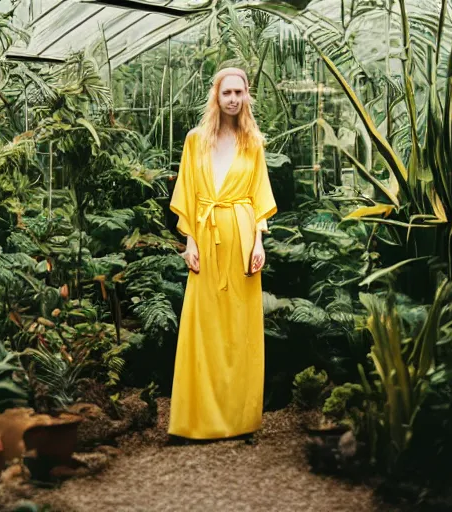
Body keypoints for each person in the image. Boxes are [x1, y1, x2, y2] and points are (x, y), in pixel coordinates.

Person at [167, 67, 277, 442]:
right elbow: (187, 194)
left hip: (243, 239)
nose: (233, 98)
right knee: (203, 326)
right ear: (215, 95)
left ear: (247, 96)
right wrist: (190, 243)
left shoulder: (253, 143)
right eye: (227, 92)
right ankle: (195, 420)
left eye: (239, 93)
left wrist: (259, 243)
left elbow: (260, 196)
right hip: (205, 236)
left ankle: (240, 419)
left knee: (240, 330)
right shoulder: (195, 140)